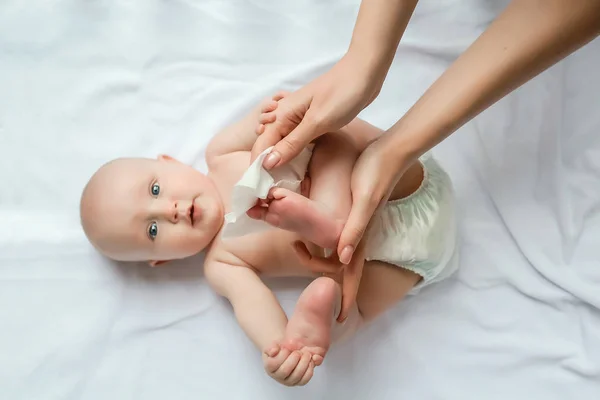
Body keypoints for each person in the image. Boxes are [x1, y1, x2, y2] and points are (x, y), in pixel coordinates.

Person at [79, 93, 458, 387]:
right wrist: (281, 350)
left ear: (170, 161)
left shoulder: (223, 152)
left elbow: (282, 114)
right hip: (398, 261)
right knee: (345, 316)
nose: (170, 210)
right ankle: (320, 262)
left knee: (334, 138)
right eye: (153, 231)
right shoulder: (223, 264)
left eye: (156, 189)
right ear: (161, 260)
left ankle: (325, 220)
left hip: (398, 181)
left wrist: (275, 114)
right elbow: (256, 312)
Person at [250, 0, 600, 275]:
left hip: (390, 193)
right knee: (343, 294)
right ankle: (328, 226)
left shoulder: (216, 159)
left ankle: (328, 222)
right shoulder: (221, 264)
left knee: (336, 154)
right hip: (388, 215)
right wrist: (363, 63)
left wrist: (264, 136)